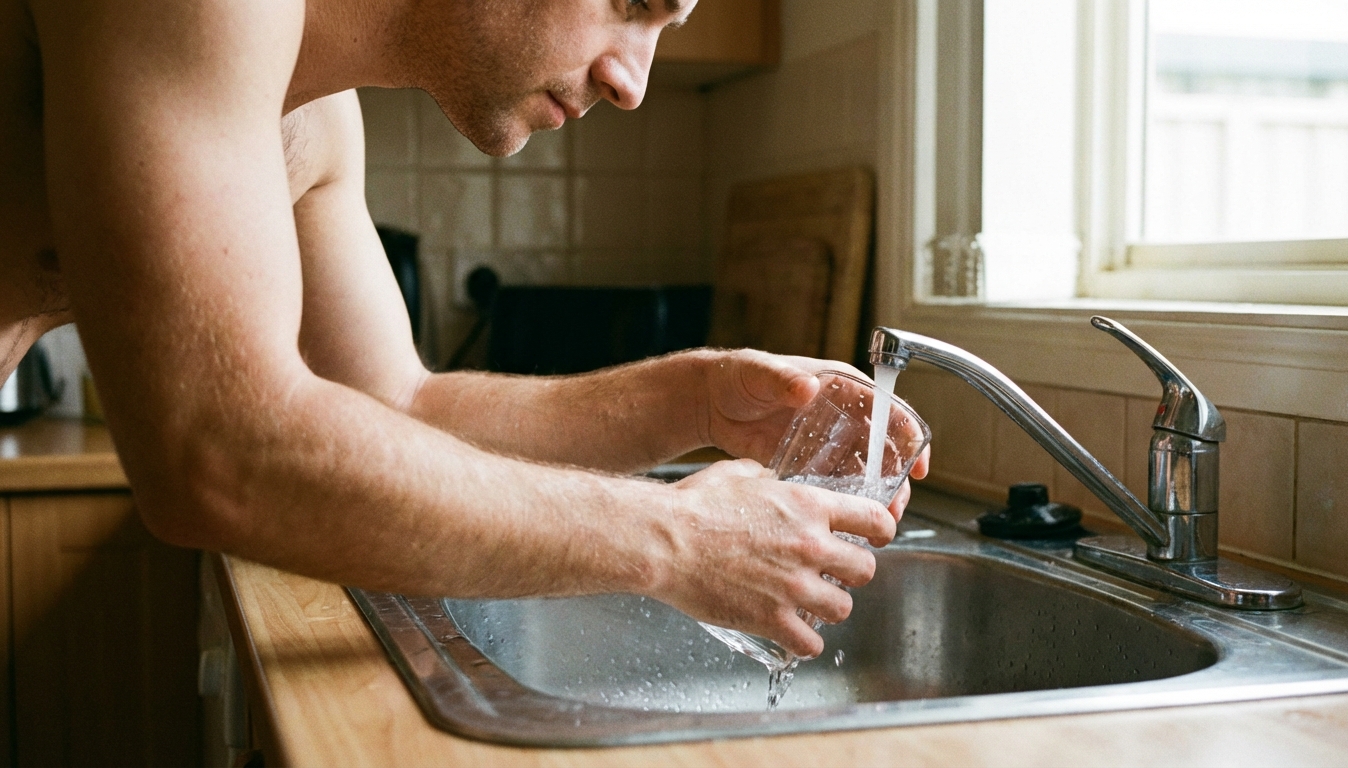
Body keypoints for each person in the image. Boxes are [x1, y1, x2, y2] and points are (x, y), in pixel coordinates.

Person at [0, 0, 929, 658]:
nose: (633, 80)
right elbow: (222, 450)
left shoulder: (316, 120)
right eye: (629, 3)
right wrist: (677, 537)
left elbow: (396, 403)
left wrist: (692, 398)